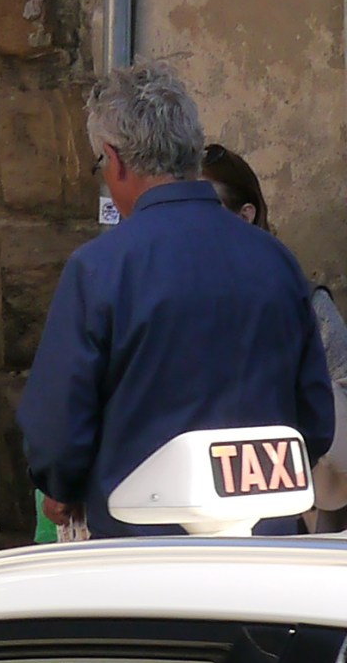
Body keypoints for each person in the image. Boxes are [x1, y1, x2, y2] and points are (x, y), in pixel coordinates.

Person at [20, 62, 336, 538]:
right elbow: (314, 417)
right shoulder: (276, 261)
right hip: (264, 541)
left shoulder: (100, 268)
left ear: (116, 160)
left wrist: (60, 485)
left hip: (143, 545)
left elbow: (58, 426)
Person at [202, 142, 347, 527]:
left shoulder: (305, 303)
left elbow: (338, 404)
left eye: (210, 208)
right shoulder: (164, 299)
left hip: (281, 512)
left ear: (246, 215)